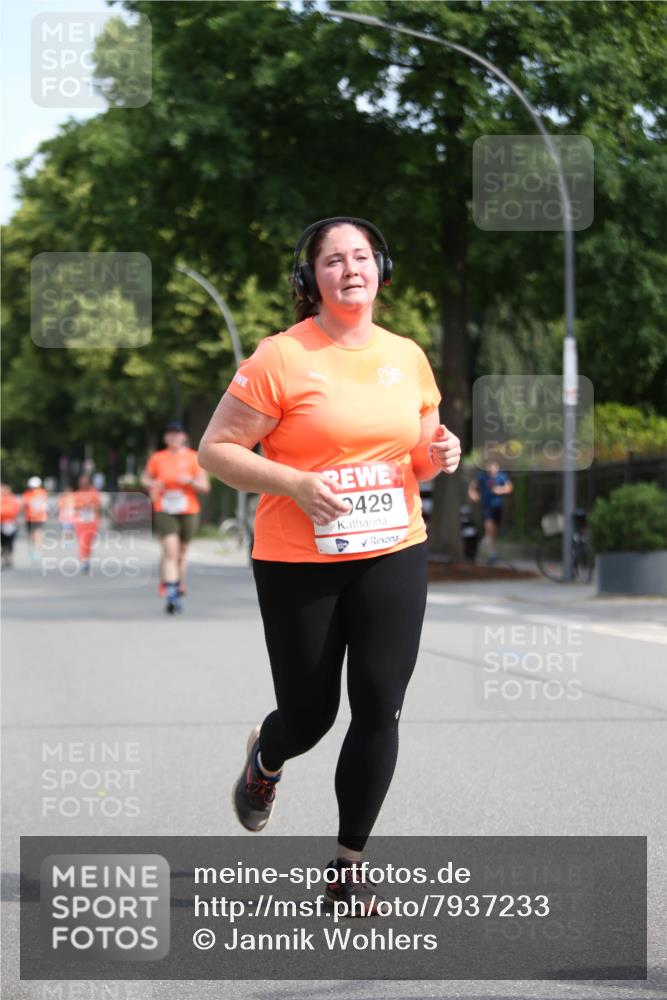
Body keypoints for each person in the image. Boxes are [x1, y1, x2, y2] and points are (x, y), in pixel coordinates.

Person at [198, 217, 461, 915]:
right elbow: (216, 451)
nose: (351, 268)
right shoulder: (280, 357)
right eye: (333, 260)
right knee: (311, 715)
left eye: (362, 256)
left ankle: (347, 869)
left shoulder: (406, 356)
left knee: (381, 702)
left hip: (392, 547)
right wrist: (293, 484)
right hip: (296, 557)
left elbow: (417, 447)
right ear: (309, 280)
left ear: (382, 268)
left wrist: (437, 456)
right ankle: (267, 757)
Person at [141, 421, 210, 614]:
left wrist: (190, 481)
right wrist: (154, 482)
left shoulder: (193, 457)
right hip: (165, 507)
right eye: (170, 434)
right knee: (171, 551)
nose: (173, 437)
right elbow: (144, 478)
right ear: (165, 438)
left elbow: (205, 487)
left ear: (184, 437)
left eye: (177, 434)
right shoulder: (158, 458)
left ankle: (177, 583)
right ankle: (171, 592)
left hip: (188, 509)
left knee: (182, 551)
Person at [467, 461, 513, 563]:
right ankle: (489, 548)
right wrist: (473, 494)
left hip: (497, 506)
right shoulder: (482, 477)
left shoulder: (501, 476)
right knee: (489, 525)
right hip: (486, 506)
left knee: (494, 530)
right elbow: (472, 486)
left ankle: (491, 551)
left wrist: (500, 490)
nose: (492, 468)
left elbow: (509, 487)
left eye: (494, 466)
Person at [71, 475, 102, 573]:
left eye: (85, 481)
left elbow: (98, 507)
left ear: (89, 482)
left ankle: (87, 558)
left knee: (88, 542)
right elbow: (75, 508)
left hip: (92, 522)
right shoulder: (77, 494)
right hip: (80, 522)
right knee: (82, 541)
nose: (83, 483)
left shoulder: (94, 493)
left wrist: (90, 507)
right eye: (81, 481)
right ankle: (84, 560)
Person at [22, 476, 48, 562]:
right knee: (30, 535)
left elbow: (43, 505)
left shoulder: (42, 493)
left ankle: (37, 552)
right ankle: (32, 550)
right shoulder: (27, 493)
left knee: (37, 535)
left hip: (38, 518)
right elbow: (25, 504)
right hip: (29, 518)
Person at [1, 484, 22, 569]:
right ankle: (5, 556)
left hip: (10, 523)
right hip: (2, 522)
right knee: (3, 542)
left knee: (9, 542)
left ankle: (9, 557)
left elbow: (16, 509)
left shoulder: (12, 499)